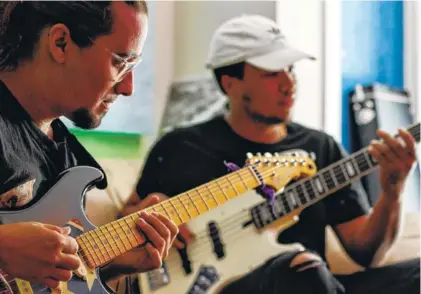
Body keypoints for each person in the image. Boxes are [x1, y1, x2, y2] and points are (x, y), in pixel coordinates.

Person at [121, 14, 420, 294]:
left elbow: (366, 252)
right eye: (271, 73)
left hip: (319, 284)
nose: (289, 84)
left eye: (290, 69)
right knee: (303, 266)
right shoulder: (178, 147)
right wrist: (151, 214)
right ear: (230, 83)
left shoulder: (320, 147)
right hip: (228, 285)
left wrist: (392, 192)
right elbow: (125, 224)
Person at [0, 1, 179, 293]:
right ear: (61, 43)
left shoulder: (67, 157)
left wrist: (108, 265)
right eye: (121, 62)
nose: (128, 87)